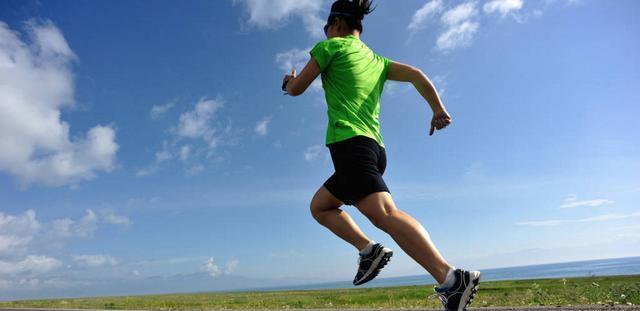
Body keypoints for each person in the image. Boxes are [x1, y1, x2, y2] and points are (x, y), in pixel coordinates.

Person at [281, 1, 480, 310]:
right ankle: (368, 250)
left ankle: (451, 278)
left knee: (385, 214)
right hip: (373, 149)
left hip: (351, 147)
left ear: (336, 25)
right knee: (321, 206)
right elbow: (415, 74)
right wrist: (437, 108)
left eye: (327, 28)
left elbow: (296, 90)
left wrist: (287, 81)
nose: (326, 32)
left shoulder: (329, 47)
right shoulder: (376, 60)